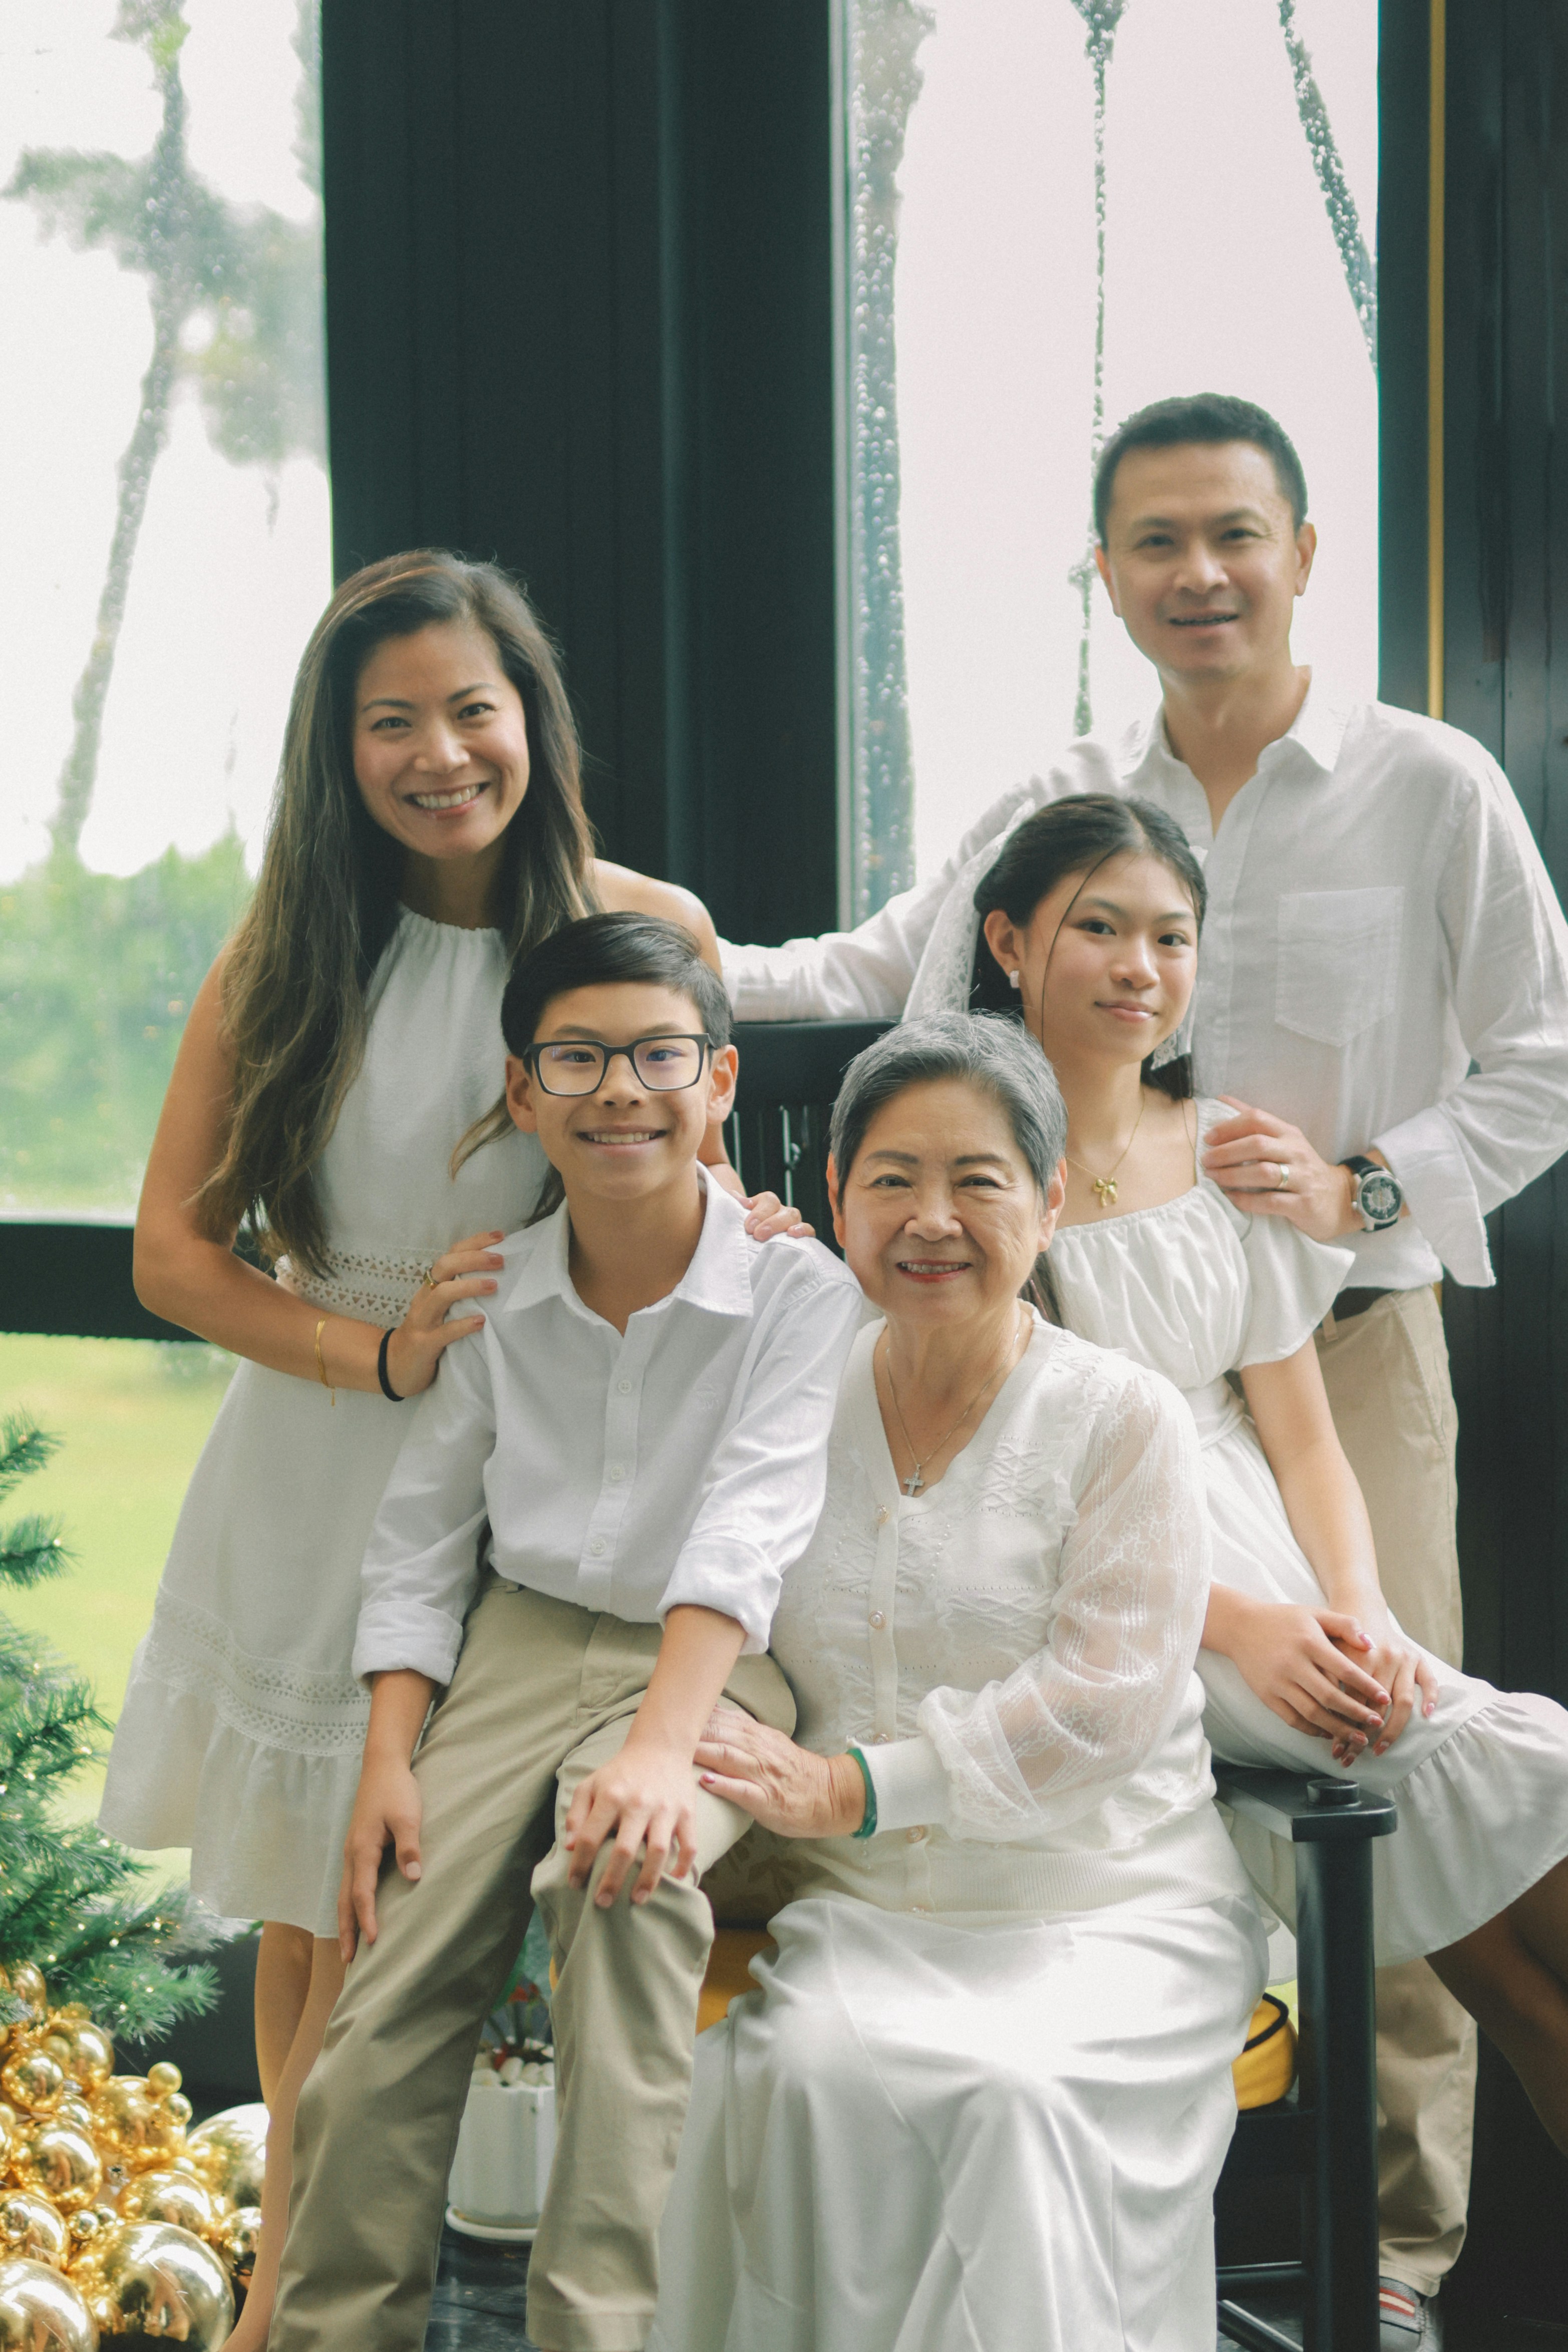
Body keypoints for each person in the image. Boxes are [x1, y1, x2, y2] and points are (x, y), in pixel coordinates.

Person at [719, 394, 1568, 2338]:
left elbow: (1544, 1054)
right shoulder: (1059, 798)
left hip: (1332, 1331)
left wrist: (1361, 1186)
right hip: (1083, 1375)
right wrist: (685, 969)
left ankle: (1402, 2263)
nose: (1201, 574)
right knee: (1392, 1793)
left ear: (1300, 552)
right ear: (1106, 573)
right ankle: (1360, 2265)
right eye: (1157, 542)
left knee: (1432, 1807)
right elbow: (882, 979)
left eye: (1235, 535)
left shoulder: (1425, 785)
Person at [97, 552, 800, 2352]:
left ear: (531, 721)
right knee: (312, 1903)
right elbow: (173, 1256)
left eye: (469, 710)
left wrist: (763, 1233)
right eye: (388, 721)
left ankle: (406, 2295)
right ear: (336, 750)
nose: (437, 753)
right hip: (328, 1460)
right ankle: (284, 2301)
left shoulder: (649, 925)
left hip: (552, 1492)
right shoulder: (289, 949)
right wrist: (387, 1351)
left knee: (414, 1916)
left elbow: (678, 1171)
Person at [268, 912, 863, 2352]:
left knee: (629, 1882)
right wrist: (388, 1759)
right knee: (379, 2005)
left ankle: (593, 2335)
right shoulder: (498, 1294)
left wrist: (662, 1756)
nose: (619, 1091)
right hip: (516, 1649)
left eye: (658, 1056)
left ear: (718, 1084)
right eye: (578, 1059)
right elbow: (419, 1539)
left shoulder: (796, 1290)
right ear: (523, 1092)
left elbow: (749, 1525)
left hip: (712, 1661)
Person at [648, 1013, 1268, 2352]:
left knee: (1009, 2096)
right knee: (790, 2081)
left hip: (1107, 1908)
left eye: (977, 1181)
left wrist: (848, 1786)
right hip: (870, 1919)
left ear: (1046, 1202)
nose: (932, 1219)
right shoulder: (785, 1401)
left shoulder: (1121, 1417)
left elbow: (1101, 1704)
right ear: (833, 1197)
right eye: (891, 1179)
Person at [974, 792, 1568, 2165]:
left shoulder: (1218, 1144)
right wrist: (1243, 1627)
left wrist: (1360, 1610)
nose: (1140, 968)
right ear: (1007, 941)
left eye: (1171, 939)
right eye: (1099, 929)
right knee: (1480, 1784)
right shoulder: (981, 1167)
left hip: (1286, 1570)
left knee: (1522, 1984)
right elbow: (1014, 1492)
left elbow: (1300, 1432)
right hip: (1136, 1600)